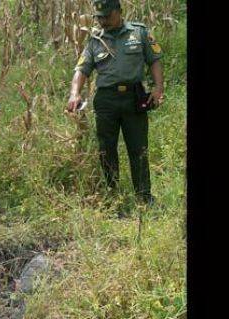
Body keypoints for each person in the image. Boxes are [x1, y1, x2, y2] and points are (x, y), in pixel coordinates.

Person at [67, 0, 164, 206]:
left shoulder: (139, 33)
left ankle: (144, 197)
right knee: (106, 149)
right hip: (106, 101)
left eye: (107, 16)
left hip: (134, 99)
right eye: (99, 17)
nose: (102, 21)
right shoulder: (95, 40)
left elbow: (154, 59)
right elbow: (81, 69)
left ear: (119, 12)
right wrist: (74, 93)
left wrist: (158, 88)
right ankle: (113, 196)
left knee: (139, 149)